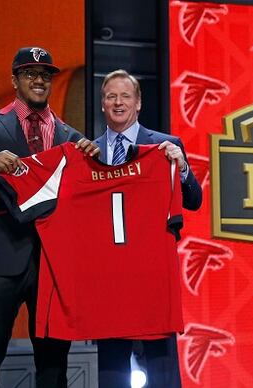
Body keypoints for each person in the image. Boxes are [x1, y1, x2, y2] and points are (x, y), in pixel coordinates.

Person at [0, 46, 99, 388]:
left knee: (54, 366)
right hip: (0, 259)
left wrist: (94, 161)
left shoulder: (72, 139)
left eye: (45, 75)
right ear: (15, 80)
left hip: (53, 265)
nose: (39, 81)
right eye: (30, 74)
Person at [94, 69, 202, 387]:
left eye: (125, 96)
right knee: (112, 358)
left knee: (161, 360)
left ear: (138, 103)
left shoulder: (165, 146)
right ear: (102, 104)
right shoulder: (89, 152)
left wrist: (181, 168)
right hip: (109, 271)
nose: (118, 103)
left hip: (153, 269)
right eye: (111, 96)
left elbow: (194, 200)